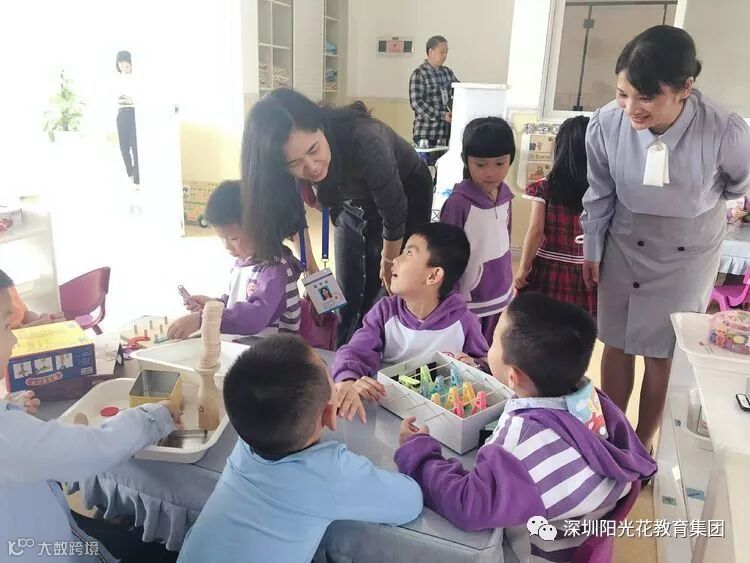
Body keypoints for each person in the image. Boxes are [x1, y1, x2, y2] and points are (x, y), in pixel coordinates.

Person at [581, 25, 750, 451]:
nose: (631, 108)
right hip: (625, 241)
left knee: (663, 351)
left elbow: (738, 185)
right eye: (623, 94)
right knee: (616, 343)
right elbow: (599, 192)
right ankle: (613, 437)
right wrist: (593, 247)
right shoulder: (606, 123)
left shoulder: (724, 130)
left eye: (645, 97)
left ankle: (643, 443)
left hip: (687, 252)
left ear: (684, 88)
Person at [395, 293, 656, 562]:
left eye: (494, 342)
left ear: (514, 376)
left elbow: (469, 505)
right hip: (584, 534)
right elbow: (525, 382)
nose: (489, 347)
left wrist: (419, 453)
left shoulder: (520, 443)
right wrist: (483, 367)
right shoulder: (592, 399)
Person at [178, 335, 423, 563]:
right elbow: (411, 502)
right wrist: (413, 448)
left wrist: (323, 400)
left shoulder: (248, 439)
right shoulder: (331, 473)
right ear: (329, 415)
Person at [0, 268, 182, 563]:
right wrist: (153, 418)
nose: (15, 341)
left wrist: (10, 408)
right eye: (7, 327)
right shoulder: (6, 436)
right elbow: (91, 449)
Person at [241, 88, 433, 346]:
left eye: (313, 149)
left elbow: (394, 210)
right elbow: (294, 219)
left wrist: (389, 261)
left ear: (321, 126)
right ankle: (345, 351)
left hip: (406, 196)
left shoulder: (364, 138)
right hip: (350, 200)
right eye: (295, 164)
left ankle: (378, 350)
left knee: (388, 289)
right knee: (346, 292)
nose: (311, 167)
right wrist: (314, 280)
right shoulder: (280, 169)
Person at [332, 223, 489, 423]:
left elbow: (485, 364)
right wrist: (348, 380)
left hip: (440, 423)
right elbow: (355, 351)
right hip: (387, 414)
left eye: (408, 253)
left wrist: (474, 367)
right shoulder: (385, 312)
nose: (395, 260)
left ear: (433, 276)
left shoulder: (463, 321)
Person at [168, 180, 302, 339]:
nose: (227, 246)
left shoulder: (275, 269)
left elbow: (255, 318)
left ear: (260, 228)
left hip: (276, 351)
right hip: (243, 347)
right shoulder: (242, 265)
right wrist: (213, 305)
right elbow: (238, 304)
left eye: (233, 238)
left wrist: (203, 319)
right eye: (222, 238)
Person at [440, 117, 515, 344]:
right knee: (469, 355)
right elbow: (445, 255)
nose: (491, 173)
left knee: (496, 352)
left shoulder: (506, 196)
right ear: (466, 160)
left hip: (501, 295)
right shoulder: (458, 203)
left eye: (500, 164)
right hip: (468, 302)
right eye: (480, 165)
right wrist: (451, 298)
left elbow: (505, 239)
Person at [514, 116, 597, 316]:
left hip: (548, 267)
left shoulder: (544, 186)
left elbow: (535, 231)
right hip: (586, 267)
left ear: (559, 147)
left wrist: (523, 268)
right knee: (580, 323)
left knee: (544, 322)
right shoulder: (599, 188)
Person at [409, 35, 459, 148]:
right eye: (442, 52)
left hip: (446, 134)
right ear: (430, 52)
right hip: (426, 134)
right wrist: (442, 115)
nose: (445, 56)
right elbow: (416, 103)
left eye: (446, 52)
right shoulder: (419, 74)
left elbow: (459, 92)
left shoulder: (448, 73)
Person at [115, 50, 139, 185]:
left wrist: (132, 99)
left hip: (134, 112)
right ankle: (130, 173)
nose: (124, 69)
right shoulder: (117, 80)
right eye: (121, 66)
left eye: (127, 66)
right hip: (121, 113)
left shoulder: (137, 78)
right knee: (123, 146)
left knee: (135, 146)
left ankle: (137, 177)